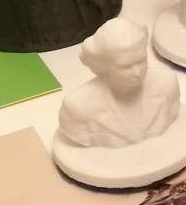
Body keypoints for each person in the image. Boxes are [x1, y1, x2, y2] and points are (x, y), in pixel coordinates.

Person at [58, 18, 179, 149]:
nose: (137, 72)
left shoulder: (166, 85)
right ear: (102, 67)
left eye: (141, 61)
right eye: (125, 67)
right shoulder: (78, 107)